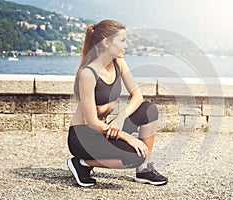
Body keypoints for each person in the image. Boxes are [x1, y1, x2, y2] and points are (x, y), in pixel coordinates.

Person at [67, 19, 168, 187]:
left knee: (149, 109)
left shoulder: (118, 62)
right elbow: (92, 122)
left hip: (106, 129)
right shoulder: (88, 73)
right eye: (122, 40)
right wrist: (128, 138)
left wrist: (120, 119)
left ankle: (144, 170)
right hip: (83, 136)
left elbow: (138, 95)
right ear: (106, 42)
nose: (126, 45)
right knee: (134, 156)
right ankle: (82, 163)